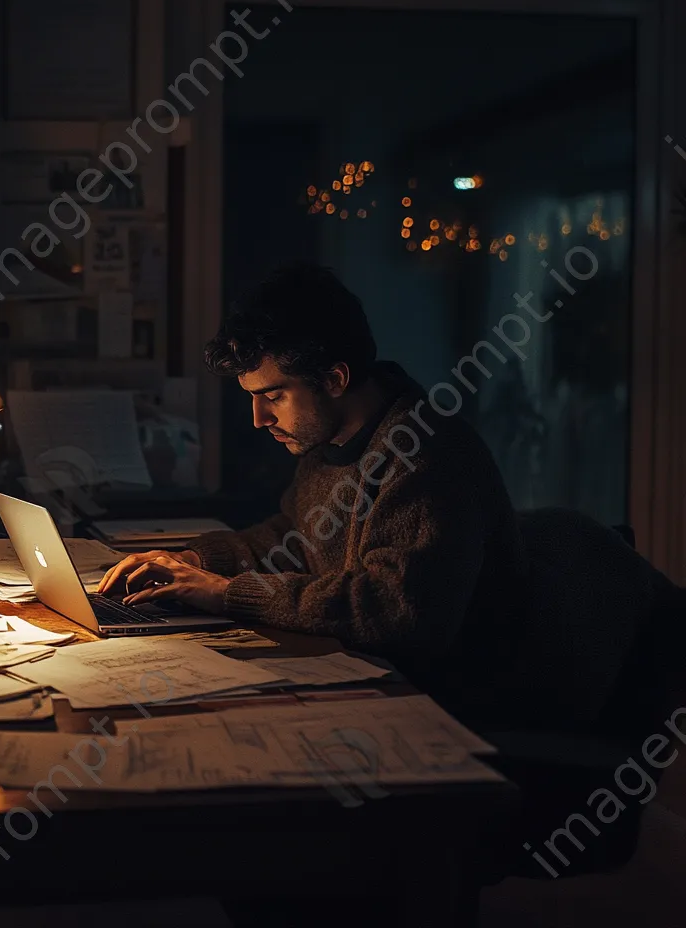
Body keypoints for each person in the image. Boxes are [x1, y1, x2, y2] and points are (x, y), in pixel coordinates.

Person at [101, 264, 664, 728]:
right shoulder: (333, 437)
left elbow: (394, 611)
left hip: (453, 708)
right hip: (379, 681)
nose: (257, 417)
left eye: (272, 395)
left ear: (336, 378)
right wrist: (197, 563)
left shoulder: (426, 459)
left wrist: (229, 595)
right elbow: (298, 536)